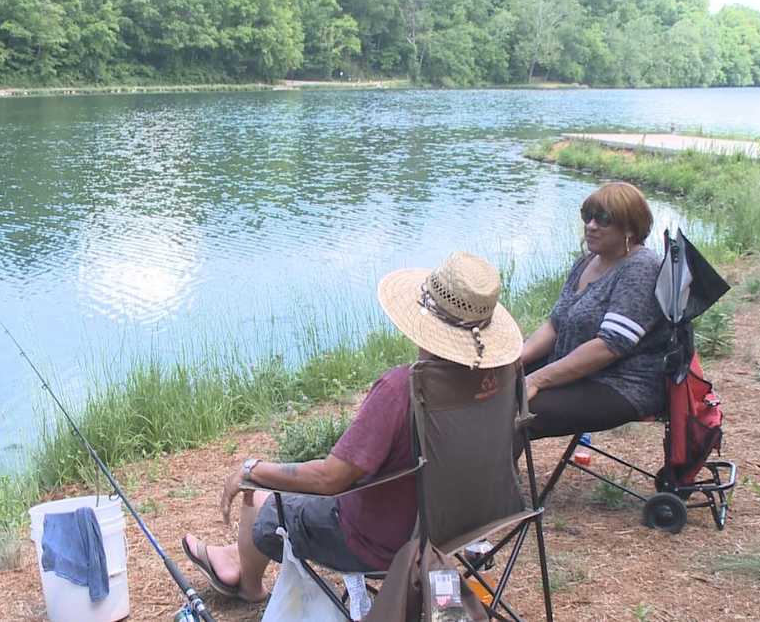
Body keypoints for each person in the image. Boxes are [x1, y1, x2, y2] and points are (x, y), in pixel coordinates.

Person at [181, 252, 524, 603]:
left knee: (267, 505)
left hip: (386, 543)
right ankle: (234, 557)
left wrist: (252, 468)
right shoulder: (503, 375)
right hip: (466, 526)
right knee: (279, 497)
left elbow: (330, 479)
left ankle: (248, 585)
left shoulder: (402, 390)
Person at [520, 181, 668, 440]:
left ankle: (491, 480)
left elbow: (609, 347)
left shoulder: (641, 267)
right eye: (587, 216)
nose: (591, 225)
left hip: (622, 383)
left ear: (630, 227)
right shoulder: (587, 261)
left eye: (603, 219)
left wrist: (536, 379)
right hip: (574, 367)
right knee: (490, 384)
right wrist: (516, 360)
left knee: (518, 411)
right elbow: (555, 324)